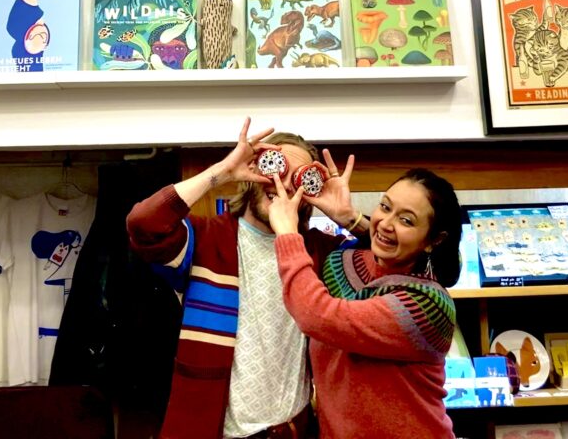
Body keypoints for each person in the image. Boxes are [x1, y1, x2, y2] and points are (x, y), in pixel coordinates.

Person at [126, 118, 369, 439]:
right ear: (254, 170)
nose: (282, 184)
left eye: (297, 178)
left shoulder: (320, 252)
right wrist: (222, 171)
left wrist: (350, 218)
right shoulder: (206, 239)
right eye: (275, 167)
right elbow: (143, 224)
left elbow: (397, 266)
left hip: (293, 431)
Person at [269, 167, 461, 439]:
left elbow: (316, 315)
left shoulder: (427, 304)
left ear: (434, 241)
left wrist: (287, 234)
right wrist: (350, 218)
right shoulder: (341, 261)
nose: (385, 223)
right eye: (385, 207)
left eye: (406, 220)